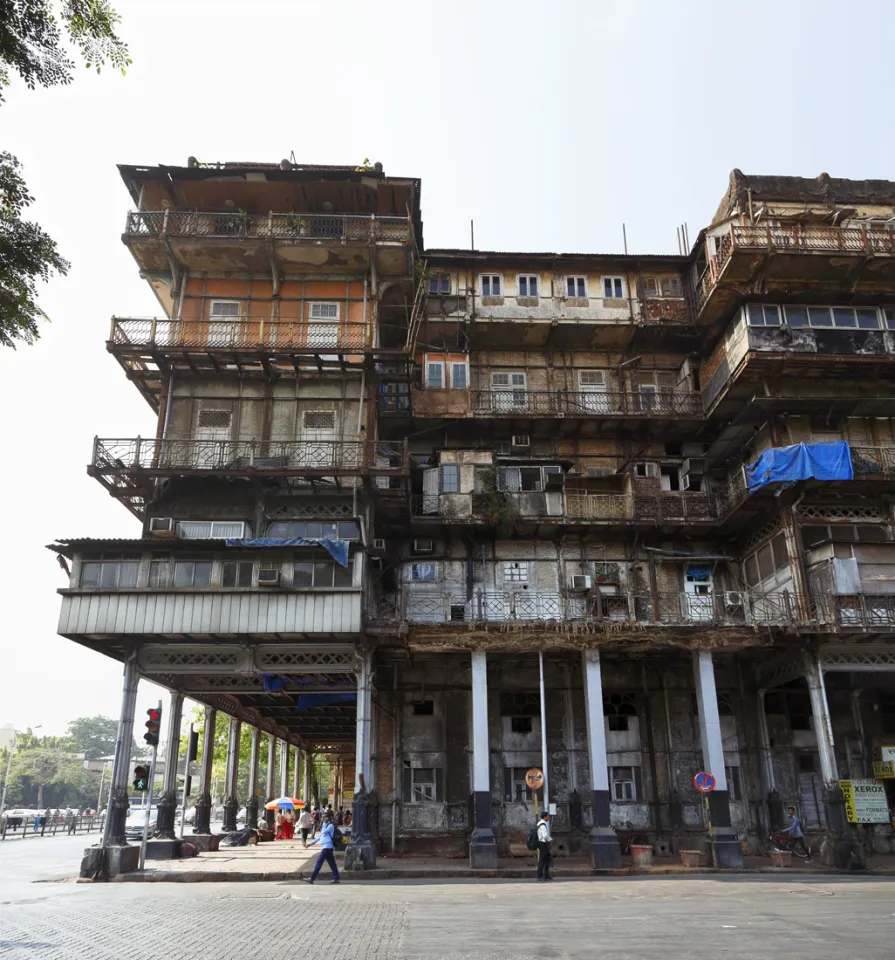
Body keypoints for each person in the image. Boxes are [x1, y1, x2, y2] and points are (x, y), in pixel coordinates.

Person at [303, 812, 341, 884]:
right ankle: (336, 878)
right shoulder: (324, 825)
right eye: (322, 817)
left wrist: (322, 824)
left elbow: (324, 832)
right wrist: (310, 844)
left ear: (329, 818)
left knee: (319, 862)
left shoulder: (330, 826)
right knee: (332, 863)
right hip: (326, 847)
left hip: (327, 847)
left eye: (325, 817)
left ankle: (312, 878)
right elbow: (319, 837)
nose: (323, 818)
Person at [536, 812, 553, 881]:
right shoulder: (542, 825)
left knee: (546, 859)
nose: (549, 818)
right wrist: (550, 839)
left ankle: (546, 875)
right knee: (543, 860)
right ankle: (540, 875)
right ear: (545, 817)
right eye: (548, 816)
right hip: (543, 843)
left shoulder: (539, 823)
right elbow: (545, 836)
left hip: (541, 843)